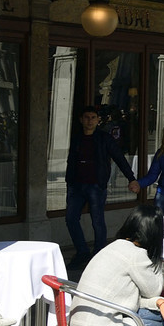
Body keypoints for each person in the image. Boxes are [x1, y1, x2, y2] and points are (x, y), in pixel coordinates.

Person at [64, 106, 141, 262]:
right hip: (76, 185)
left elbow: (119, 158)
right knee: (71, 218)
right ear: (81, 120)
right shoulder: (76, 137)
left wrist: (131, 178)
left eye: (93, 117)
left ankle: (99, 254)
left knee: (97, 220)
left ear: (98, 120)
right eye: (87, 117)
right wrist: (69, 180)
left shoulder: (104, 138)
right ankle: (82, 252)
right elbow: (71, 160)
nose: (90, 121)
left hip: (96, 185)